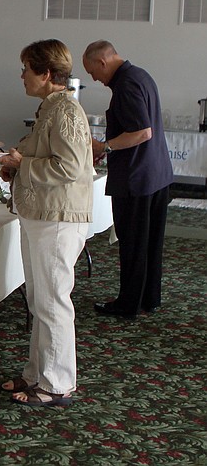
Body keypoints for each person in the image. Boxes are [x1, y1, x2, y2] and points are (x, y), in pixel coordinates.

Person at [0, 39, 93, 407]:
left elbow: (69, 168)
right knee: (41, 301)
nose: (22, 76)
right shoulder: (51, 108)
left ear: (47, 73)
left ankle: (57, 383)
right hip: (43, 215)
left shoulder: (66, 111)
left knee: (53, 302)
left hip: (58, 219)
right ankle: (38, 372)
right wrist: (18, 168)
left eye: (26, 69)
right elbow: (47, 158)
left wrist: (23, 165)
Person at [83, 41, 173, 319]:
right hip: (156, 174)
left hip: (137, 178)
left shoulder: (125, 85)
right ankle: (149, 298)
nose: (94, 79)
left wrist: (105, 146)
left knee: (133, 243)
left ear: (102, 62)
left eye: (92, 72)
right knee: (151, 242)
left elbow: (141, 132)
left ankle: (127, 304)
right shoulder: (141, 75)